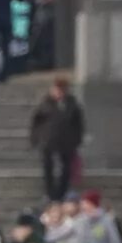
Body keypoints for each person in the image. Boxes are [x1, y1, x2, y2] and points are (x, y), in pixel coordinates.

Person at [28, 75, 83, 203]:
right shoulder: (45, 103)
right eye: (56, 90)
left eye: (60, 90)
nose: (58, 93)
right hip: (48, 140)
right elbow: (36, 122)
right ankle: (50, 193)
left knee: (66, 167)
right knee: (48, 166)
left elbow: (78, 124)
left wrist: (76, 140)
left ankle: (62, 191)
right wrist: (35, 139)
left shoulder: (71, 104)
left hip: (66, 141)